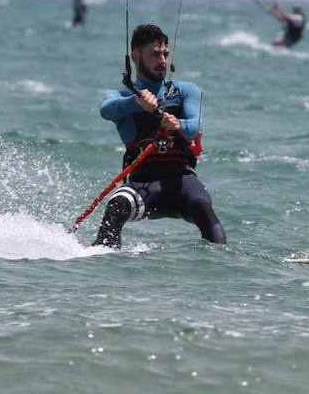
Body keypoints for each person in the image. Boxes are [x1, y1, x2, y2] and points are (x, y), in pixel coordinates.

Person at [92, 23, 226, 248]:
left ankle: (224, 266)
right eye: (154, 54)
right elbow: (106, 110)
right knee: (116, 206)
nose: (162, 60)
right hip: (144, 186)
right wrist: (136, 102)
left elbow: (195, 126)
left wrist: (178, 123)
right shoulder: (121, 95)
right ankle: (101, 262)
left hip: (183, 183)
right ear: (135, 56)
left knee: (203, 208)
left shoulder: (184, 91)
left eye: (165, 54)